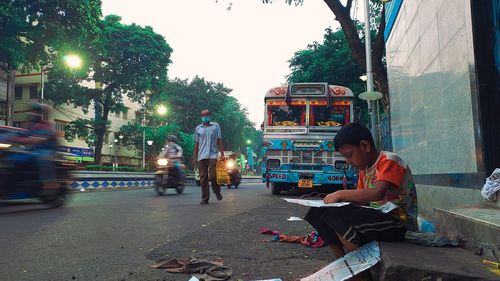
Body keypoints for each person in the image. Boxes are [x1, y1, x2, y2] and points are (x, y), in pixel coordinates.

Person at [304, 122, 418, 259]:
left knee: (334, 213)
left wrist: (341, 194)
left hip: (399, 223)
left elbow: (377, 193)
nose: (348, 161)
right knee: (317, 212)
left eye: (349, 155)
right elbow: (362, 203)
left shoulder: (390, 161)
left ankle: (356, 260)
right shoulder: (364, 169)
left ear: (365, 146)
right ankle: (341, 260)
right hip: (377, 219)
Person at [8, 103, 58, 189]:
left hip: (46, 151)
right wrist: (11, 137)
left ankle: (48, 182)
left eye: (35, 111)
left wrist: (28, 140)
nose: (33, 114)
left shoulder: (46, 125)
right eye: (32, 111)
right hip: (31, 150)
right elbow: (23, 134)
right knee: (13, 157)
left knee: (40, 156)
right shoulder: (31, 125)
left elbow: (39, 138)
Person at [193, 109, 225, 204]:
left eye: (207, 115)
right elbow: (196, 144)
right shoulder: (198, 129)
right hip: (201, 156)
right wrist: (194, 158)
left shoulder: (216, 126)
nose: (205, 117)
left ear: (210, 116)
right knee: (203, 178)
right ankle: (205, 198)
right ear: (201, 117)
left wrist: (222, 153)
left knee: (213, 176)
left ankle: (217, 191)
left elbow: (219, 140)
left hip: (212, 155)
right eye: (203, 115)